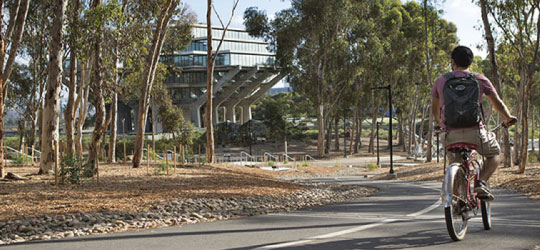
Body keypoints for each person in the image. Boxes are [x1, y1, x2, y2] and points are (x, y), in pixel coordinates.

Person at [432, 45, 516, 201]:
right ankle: (481, 182)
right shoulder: (479, 79)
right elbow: (497, 103)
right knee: (494, 154)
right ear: (470, 62)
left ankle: (456, 201)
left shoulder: (440, 81)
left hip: (450, 134)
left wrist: (440, 123)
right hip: (475, 133)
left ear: (452, 62)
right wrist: (508, 117)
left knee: (455, 161)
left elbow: (435, 109)